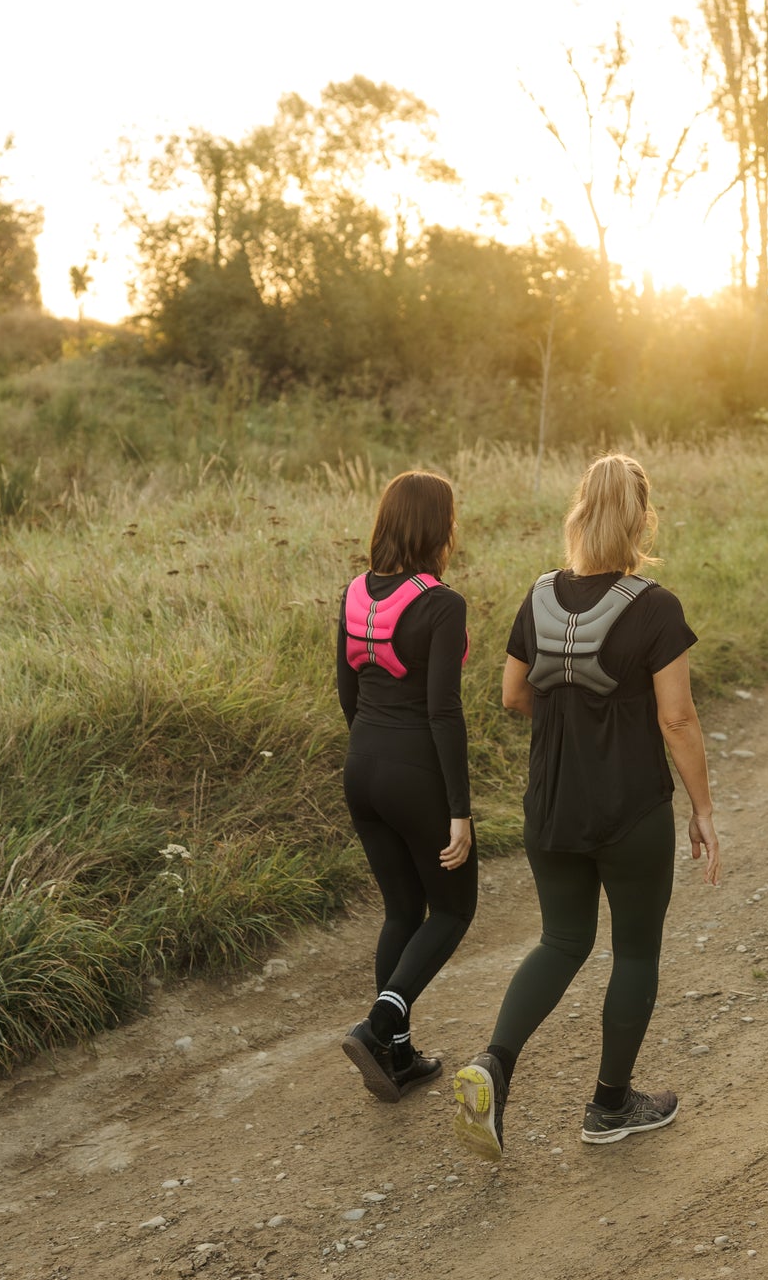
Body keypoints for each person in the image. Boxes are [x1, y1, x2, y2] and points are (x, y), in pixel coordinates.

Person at [453, 452, 722, 1158]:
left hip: (550, 806)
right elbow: (677, 718)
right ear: (640, 516)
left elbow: (513, 694)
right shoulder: (654, 605)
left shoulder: (537, 596)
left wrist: (569, 712)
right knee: (634, 949)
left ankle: (493, 1063)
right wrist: (703, 808)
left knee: (561, 941)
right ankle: (609, 1104)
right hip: (630, 808)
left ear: (580, 512)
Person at [336, 470, 476, 1102]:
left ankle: (397, 1057)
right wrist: (459, 809)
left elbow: (347, 690)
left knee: (401, 910)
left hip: (361, 766)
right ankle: (380, 1025)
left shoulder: (356, 592)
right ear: (437, 527)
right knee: (451, 908)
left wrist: (372, 752)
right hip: (415, 770)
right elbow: (443, 711)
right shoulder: (442, 603)